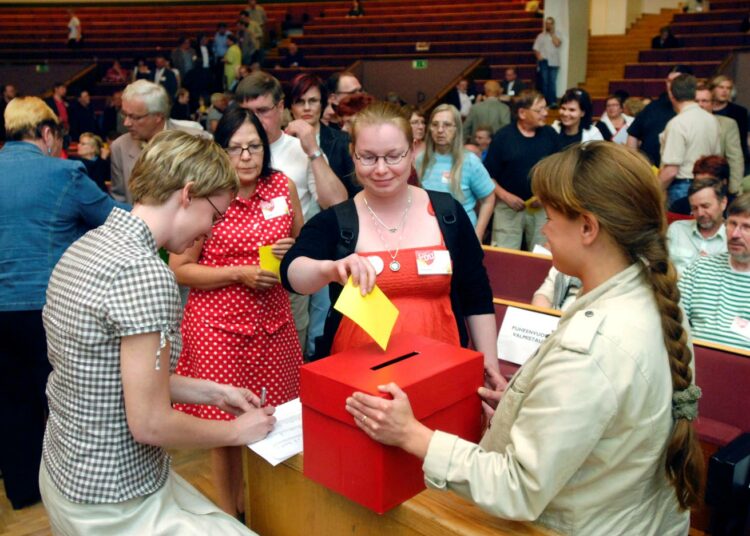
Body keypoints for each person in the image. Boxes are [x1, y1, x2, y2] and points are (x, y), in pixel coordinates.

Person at [345, 141, 702, 535]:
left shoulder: (591, 349)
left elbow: (518, 487)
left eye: (550, 217)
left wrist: (412, 434)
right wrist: (525, 408)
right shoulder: (653, 299)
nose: (544, 229)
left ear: (588, 227)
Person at [40, 130, 273, 535]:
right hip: (115, 497)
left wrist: (216, 393)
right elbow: (149, 423)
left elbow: (113, 376)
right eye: (215, 215)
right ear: (187, 194)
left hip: (64, 471)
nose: (212, 231)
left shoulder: (87, 245)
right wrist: (235, 431)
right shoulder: (146, 273)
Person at [280, 101, 499, 375]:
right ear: (353, 155)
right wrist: (330, 269)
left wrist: (488, 363)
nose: (381, 169)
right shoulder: (340, 220)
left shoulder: (447, 213)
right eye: (368, 157)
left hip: (440, 371)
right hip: (358, 377)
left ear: (412, 151)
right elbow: (291, 272)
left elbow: (476, 293)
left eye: (393, 156)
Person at [170, 109, 303, 517]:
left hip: (274, 324)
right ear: (220, 150)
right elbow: (179, 269)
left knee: (278, 420)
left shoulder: (281, 186)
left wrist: (292, 250)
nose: (247, 157)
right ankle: (231, 516)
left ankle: (272, 510)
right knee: (226, 430)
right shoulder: (206, 193)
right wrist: (238, 273)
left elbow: (302, 238)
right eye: (236, 148)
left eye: (255, 147)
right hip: (218, 330)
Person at [0, 97, 123, 511]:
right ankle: (67, 486)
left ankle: (22, 490)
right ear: (48, 133)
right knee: (61, 398)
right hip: (47, 307)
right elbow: (114, 218)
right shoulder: (65, 173)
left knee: (10, 401)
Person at [484, 89, 561, 250]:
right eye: (539, 110)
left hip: (542, 208)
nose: (545, 113)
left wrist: (546, 194)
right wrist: (506, 196)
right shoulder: (503, 137)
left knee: (542, 257)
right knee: (505, 259)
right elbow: (488, 176)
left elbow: (559, 171)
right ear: (522, 113)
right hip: (508, 208)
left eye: (545, 108)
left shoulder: (550, 135)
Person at [110, 79, 209, 203]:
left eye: (135, 117)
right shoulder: (119, 147)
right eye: (124, 114)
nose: (126, 123)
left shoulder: (196, 141)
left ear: (158, 116)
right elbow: (119, 200)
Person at [679, 193, 750, 351]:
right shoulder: (700, 268)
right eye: (732, 224)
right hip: (693, 365)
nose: (735, 234)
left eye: (746, 227)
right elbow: (673, 320)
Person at [416, 104, 495, 241]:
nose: (440, 130)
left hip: (462, 235)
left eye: (447, 125)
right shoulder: (420, 160)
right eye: (435, 124)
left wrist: (478, 234)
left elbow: (488, 199)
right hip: (428, 236)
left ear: (457, 129)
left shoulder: (470, 161)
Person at [288, 73, 357, 197]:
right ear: (290, 107)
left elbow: (355, 192)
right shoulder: (280, 142)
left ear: (322, 104)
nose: (307, 108)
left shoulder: (343, 142)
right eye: (299, 102)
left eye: (313, 101)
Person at [658, 74, 720, 213]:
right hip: (709, 184)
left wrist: (653, 190)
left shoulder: (677, 123)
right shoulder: (711, 120)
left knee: (678, 229)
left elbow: (671, 171)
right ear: (693, 93)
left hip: (682, 187)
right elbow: (716, 159)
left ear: (671, 95)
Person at [667, 175, 728, 274]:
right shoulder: (677, 230)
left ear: (723, 203)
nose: (700, 213)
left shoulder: (734, 239)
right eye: (694, 208)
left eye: (705, 206)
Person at [695, 82, 744, 197]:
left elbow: (735, 158)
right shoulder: (681, 123)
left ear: (712, 104)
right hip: (689, 183)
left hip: (716, 184)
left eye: (705, 101)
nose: (700, 105)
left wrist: (734, 189)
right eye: (696, 101)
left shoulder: (727, 124)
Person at [533, 17, 562, 108]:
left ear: (553, 25)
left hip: (554, 62)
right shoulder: (541, 36)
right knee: (544, 82)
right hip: (544, 61)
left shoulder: (557, 34)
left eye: (550, 23)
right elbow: (535, 48)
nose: (548, 25)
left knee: (552, 82)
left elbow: (557, 44)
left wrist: (552, 34)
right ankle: (545, 102)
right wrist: (539, 57)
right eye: (547, 23)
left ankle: (553, 102)